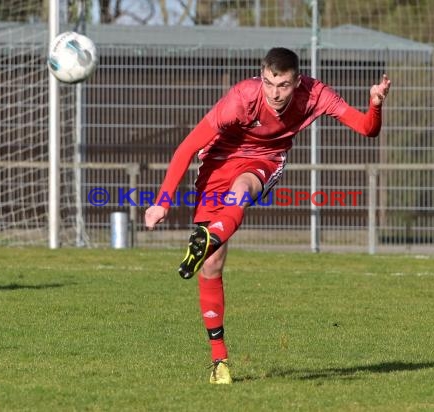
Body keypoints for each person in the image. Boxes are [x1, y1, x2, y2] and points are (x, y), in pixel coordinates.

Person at [144, 47, 391, 384]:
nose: (275, 93)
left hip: (264, 160)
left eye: (284, 85)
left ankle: (211, 237)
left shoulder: (315, 94)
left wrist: (375, 104)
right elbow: (187, 147)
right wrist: (162, 201)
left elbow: (366, 129)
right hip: (217, 163)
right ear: (261, 77)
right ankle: (219, 361)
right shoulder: (241, 98)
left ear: (297, 80)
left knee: (243, 189)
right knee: (212, 266)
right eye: (269, 83)